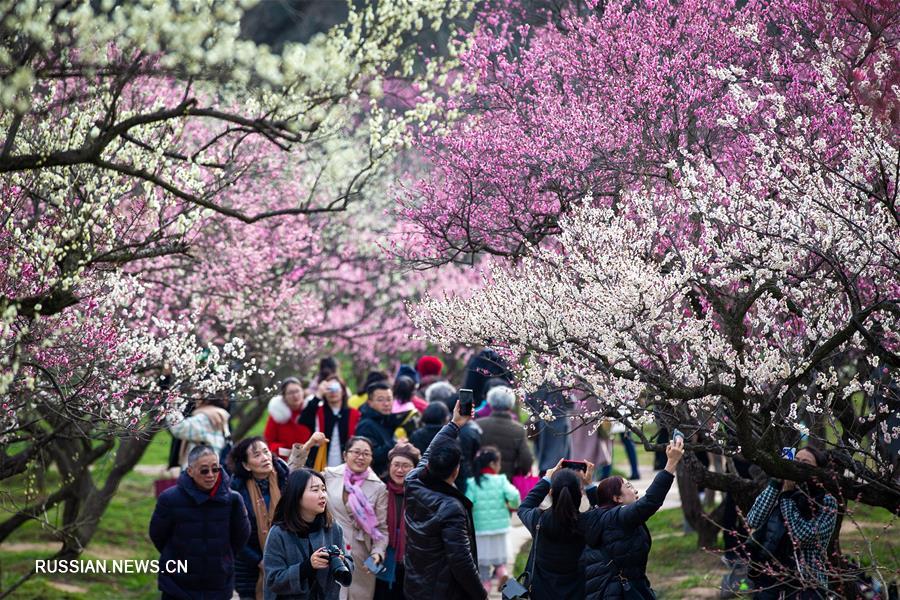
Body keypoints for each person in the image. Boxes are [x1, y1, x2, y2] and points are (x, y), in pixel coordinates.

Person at [580, 436, 685, 600]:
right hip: (617, 593)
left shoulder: (602, 515)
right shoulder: (620, 517)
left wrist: (589, 485)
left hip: (612, 589)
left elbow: (601, 506)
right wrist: (671, 464)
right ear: (617, 499)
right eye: (628, 486)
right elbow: (650, 502)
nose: (635, 490)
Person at [404, 400, 487, 600]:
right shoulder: (451, 508)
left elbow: (428, 454)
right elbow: (461, 560)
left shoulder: (413, 482)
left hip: (416, 584)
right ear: (456, 469)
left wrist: (454, 423)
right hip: (442, 591)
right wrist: (481, 594)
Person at [149, 445, 251, 600]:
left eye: (215, 469)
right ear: (190, 471)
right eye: (204, 470)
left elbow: (241, 536)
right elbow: (158, 535)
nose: (210, 475)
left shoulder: (233, 500)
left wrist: (224, 558)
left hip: (218, 583)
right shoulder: (169, 499)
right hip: (177, 585)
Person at [745, 446, 838, 599]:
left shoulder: (826, 502)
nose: (798, 465)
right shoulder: (778, 491)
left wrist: (787, 498)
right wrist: (776, 483)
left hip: (806, 581)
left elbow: (802, 536)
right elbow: (753, 520)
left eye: (805, 462)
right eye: (796, 460)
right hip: (769, 577)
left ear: (817, 471)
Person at [263, 468, 354, 600]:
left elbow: (350, 564)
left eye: (323, 489)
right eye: (315, 490)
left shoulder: (333, 528)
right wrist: (307, 567)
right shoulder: (279, 533)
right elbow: (273, 580)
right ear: (297, 495)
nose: (322, 495)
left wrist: (341, 561)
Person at [517, 458, 598, 600]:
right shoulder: (588, 522)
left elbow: (524, 508)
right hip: (578, 593)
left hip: (541, 594)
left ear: (550, 493)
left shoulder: (539, 520)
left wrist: (547, 479)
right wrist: (589, 485)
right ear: (580, 494)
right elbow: (603, 512)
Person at [323, 436, 388, 600]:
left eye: (366, 454)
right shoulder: (329, 475)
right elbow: (296, 477)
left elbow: (381, 529)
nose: (361, 457)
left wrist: (377, 554)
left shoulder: (378, 487)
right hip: (330, 550)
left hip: (362, 557)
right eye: (356, 452)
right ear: (345, 455)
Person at [229, 437, 291, 600]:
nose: (265, 457)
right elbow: (234, 535)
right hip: (250, 568)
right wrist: (259, 561)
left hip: (287, 563)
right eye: (257, 455)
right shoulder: (236, 492)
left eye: (266, 452)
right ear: (246, 465)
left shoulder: (285, 481)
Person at [464, 446, 522, 594]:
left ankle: (485, 588)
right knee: (499, 561)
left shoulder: (472, 483)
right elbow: (514, 495)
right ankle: (503, 573)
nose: (500, 466)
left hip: (480, 529)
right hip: (500, 527)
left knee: (482, 566)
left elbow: (468, 502)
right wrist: (512, 505)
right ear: (492, 464)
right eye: (499, 463)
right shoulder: (501, 480)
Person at [374, 442, 421, 600]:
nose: (400, 470)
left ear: (415, 468)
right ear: (389, 466)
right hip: (379, 555)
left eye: (406, 465)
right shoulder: (379, 490)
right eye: (396, 465)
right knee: (376, 592)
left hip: (411, 560)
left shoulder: (421, 493)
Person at [298, 374, 361, 470]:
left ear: (343, 391)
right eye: (329, 389)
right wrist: (318, 395)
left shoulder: (354, 414)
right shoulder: (317, 412)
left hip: (346, 465)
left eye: (336, 388)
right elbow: (303, 420)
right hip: (319, 463)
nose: (332, 392)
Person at [354, 381, 414, 477]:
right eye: (380, 400)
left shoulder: (386, 420)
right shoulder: (366, 425)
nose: (386, 404)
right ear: (370, 402)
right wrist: (395, 445)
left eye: (389, 399)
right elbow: (371, 455)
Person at [476, 386, 533, 480]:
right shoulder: (518, 430)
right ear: (511, 405)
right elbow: (526, 460)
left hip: (480, 479)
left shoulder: (479, 424)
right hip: (507, 480)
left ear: (490, 403)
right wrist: (517, 472)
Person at [167, 394, 232, 470]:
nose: (195, 397)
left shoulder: (207, 417)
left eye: (199, 393)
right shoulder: (219, 414)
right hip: (211, 466)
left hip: (200, 470)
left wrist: (171, 405)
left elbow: (179, 428)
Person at [264, 377, 312, 458]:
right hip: (286, 460)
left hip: (311, 457)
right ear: (284, 396)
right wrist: (284, 450)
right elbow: (269, 441)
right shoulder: (277, 414)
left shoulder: (312, 409)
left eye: (297, 391)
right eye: (290, 393)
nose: (295, 395)